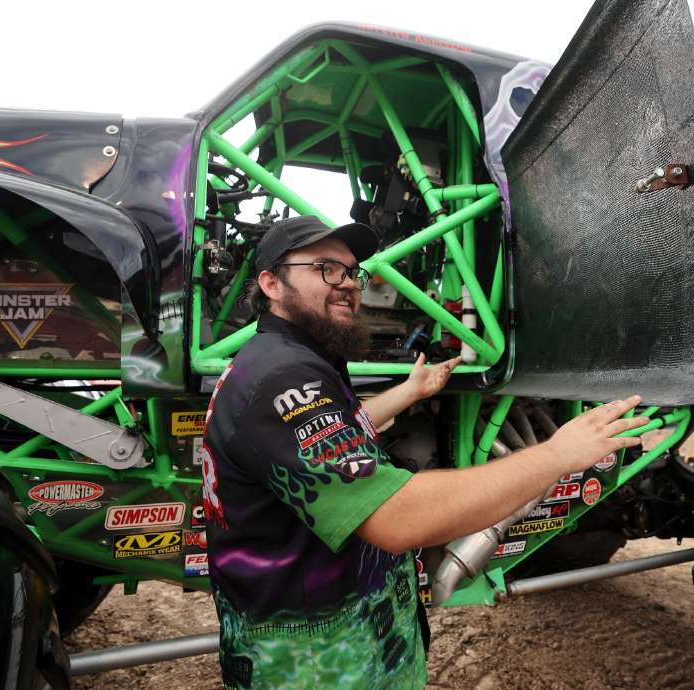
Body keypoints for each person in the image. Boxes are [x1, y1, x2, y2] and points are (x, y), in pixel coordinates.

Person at [200, 215, 646, 689]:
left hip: (341, 642)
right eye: (326, 269)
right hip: (318, 664)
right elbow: (398, 518)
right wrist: (559, 453)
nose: (348, 284)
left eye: (353, 272)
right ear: (270, 283)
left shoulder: (286, 361)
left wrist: (410, 392)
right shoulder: (282, 378)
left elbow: (327, 450)